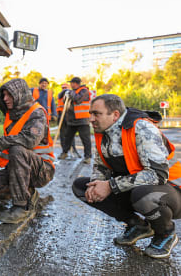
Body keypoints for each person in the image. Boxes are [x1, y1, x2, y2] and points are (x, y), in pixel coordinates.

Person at [72, 94, 181, 259]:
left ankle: (166, 233)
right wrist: (96, 184)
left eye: (96, 114)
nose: (91, 119)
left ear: (115, 115)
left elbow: (157, 174)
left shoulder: (142, 128)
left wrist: (110, 186)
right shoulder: (104, 132)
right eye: (90, 114)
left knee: (142, 195)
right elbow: (101, 166)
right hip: (138, 186)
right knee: (81, 187)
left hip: (171, 191)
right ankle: (138, 225)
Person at [0, 38, 55, 224]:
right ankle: (28, 194)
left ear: (19, 95)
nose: (4, 98)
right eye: (3, 95)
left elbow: (28, 141)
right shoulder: (11, 108)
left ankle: (21, 207)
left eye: (8, 95)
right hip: (18, 169)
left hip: (42, 170)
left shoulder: (37, 114)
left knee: (17, 148)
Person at [58, 77, 92, 164]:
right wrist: (66, 95)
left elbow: (78, 99)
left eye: (72, 83)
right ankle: (64, 152)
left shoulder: (84, 91)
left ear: (76, 83)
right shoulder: (71, 92)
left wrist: (70, 93)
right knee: (68, 138)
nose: (71, 85)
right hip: (72, 120)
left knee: (85, 139)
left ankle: (87, 157)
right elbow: (64, 101)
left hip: (82, 120)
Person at [57, 83, 77, 155]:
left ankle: (73, 149)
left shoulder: (71, 94)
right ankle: (64, 150)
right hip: (61, 115)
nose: (64, 89)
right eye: (62, 88)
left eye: (65, 87)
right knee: (62, 134)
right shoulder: (60, 95)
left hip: (68, 115)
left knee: (70, 133)